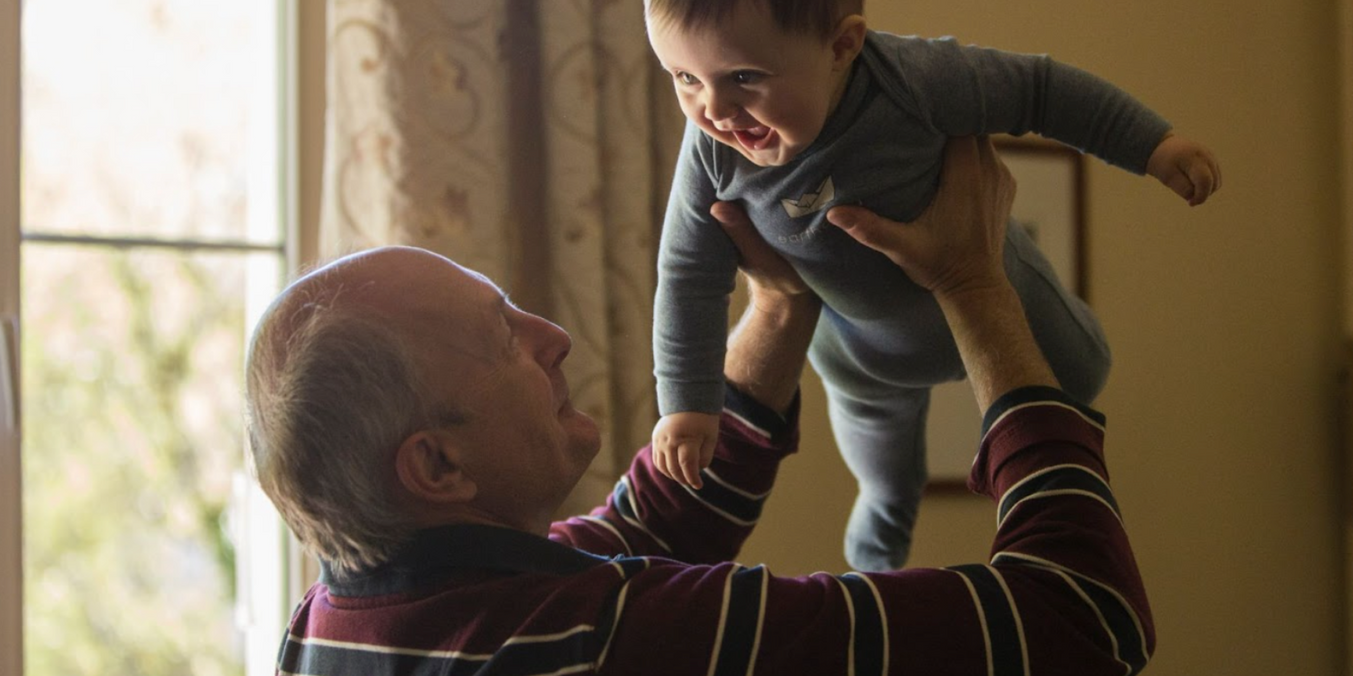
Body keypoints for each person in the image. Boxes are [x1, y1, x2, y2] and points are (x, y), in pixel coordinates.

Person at [247, 136, 1153, 675]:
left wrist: (780, 305)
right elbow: (1082, 620)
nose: (551, 335)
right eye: (501, 337)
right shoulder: (602, 641)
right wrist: (974, 283)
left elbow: (658, 522)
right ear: (437, 466)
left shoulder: (337, 622)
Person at [646, 0, 1222, 571]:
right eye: (683, 78)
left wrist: (1154, 145)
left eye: (744, 78)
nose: (714, 110)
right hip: (861, 356)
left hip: (993, 284)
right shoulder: (710, 151)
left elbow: (1041, 90)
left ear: (841, 46)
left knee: (1085, 371)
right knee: (887, 482)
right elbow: (687, 275)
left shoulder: (914, 81)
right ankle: (875, 569)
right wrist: (687, 404)